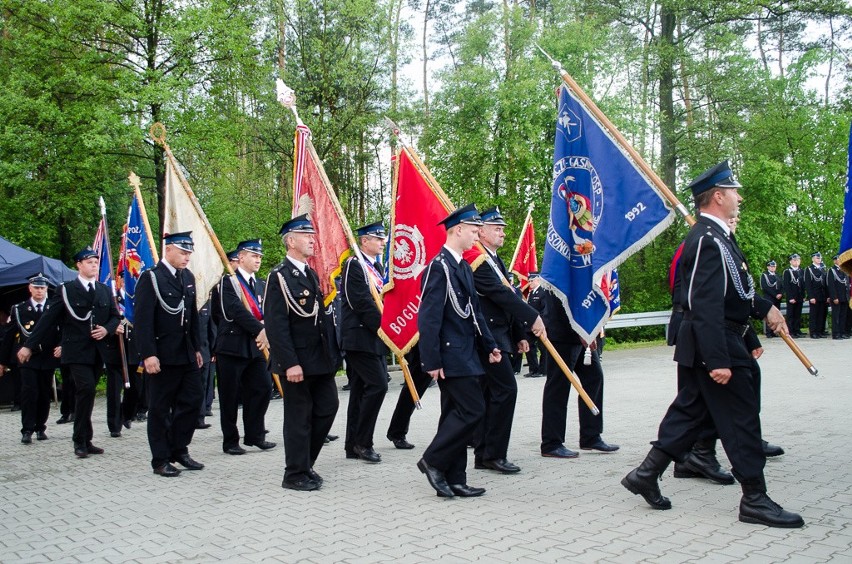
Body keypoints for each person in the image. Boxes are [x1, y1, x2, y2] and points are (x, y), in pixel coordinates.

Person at [621, 160, 803, 528]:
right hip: (714, 344)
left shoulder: (719, 237)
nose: (739, 197)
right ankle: (755, 498)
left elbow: (734, 294)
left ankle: (646, 473)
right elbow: (702, 304)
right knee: (741, 420)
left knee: (691, 415)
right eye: (734, 191)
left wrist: (763, 310)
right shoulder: (706, 240)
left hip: (716, 340)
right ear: (718, 196)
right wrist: (718, 359)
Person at [415, 203, 500, 499]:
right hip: (451, 354)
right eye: (475, 230)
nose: (478, 235)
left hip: (467, 351)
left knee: (454, 413)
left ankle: (455, 478)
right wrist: (431, 359)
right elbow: (428, 317)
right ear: (458, 230)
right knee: (473, 410)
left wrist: (489, 344)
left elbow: (474, 311)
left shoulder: (462, 265)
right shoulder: (438, 267)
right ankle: (433, 460)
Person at [20, 248, 122, 458]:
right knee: (86, 389)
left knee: (88, 392)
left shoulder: (103, 289)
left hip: (97, 351)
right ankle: (79, 441)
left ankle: (87, 438)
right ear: (79, 265)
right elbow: (47, 320)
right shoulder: (66, 290)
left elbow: (114, 317)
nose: (94, 265)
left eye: (96, 262)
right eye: (89, 262)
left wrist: (107, 329)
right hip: (76, 351)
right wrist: (29, 345)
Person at [265, 215, 341, 491]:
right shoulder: (279, 277)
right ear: (291, 241)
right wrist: (290, 363)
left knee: (328, 407)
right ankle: (294, 473)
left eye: (313, 235)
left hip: (318, 359)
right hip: (296, 362)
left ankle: (306, 462)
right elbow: (276, 325)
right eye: (306, 235)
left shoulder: (309, 273)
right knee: (298, 417)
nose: (312, 239)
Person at [470, 207, 544, 474]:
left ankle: (484, 453)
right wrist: (533, 317)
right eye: (496, 228)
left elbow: (508, 295)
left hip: (500, 335)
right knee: (505, 390)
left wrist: (518, 335)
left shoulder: (493, 259)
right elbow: (500, 295)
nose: (502, 233)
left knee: (491, 394)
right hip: (487, 338)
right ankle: (493, 453)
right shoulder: (477, 259)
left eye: (502, 228)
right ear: (480, 231)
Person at [135, 232, 205, 477]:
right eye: (183, 252)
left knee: (194, 401)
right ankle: (160, 459)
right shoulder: (152, 278)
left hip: (185, 353)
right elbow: (143, 320)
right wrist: (148, 354)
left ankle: (179, 448)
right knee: (160, 408)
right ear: (168, 250)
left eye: (189, 253)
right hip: (162, 355)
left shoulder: (187, 277)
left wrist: (197, 347)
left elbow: (192, 316)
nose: (187, 257)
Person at [538, 288, 618, 459]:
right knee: (559, 386)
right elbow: (561, 300)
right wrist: (579, 330)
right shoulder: (561, 263)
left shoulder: (581, 263)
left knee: (594, 377)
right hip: (562, 332)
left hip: (581, 331)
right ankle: (552, 443)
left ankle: (591, 436)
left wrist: (589, 329)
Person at [212, 239, 274, 455]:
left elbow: (269, 311)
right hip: (232, 346)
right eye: (253, 255)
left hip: (256, 346)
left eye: (259, 256)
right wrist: (261, 329)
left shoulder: (261, 284)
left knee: (263, 388)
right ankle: (230, 440)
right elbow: (234, 312)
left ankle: (255, 435)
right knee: (230, 396)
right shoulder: (227, 283)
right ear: (240, 257)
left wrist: (267, 328)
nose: (258, 259)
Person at [341, 222, 389, 464]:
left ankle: (352, 445)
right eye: (377, 239)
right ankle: (363, 442)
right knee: (379, 385)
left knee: (360, 391)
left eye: (383, 238)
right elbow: (359, 301)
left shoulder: (377, 266)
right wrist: (384, 329)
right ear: (364, 241)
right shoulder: (354, 264)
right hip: (360, 336)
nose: (382, 242)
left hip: (372, 337)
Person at [0, 274, 61, 444]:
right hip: (27, 358)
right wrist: (3, 362)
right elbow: (9, 337)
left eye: (42, 288)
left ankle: (40, 427)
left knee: (43, 394)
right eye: (36, 287)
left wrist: (62, 345)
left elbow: (62, 330)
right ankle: (27, 429)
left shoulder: (53, 307)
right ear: (30, 288)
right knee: (28, 393)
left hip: (47, 357)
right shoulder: (19, 309)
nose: (40, 291)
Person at [526, 274, 548, 378]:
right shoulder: (530, 294)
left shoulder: (543, 292)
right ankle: (533, 369)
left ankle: (543, 370)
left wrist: (541, 322)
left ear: (538, 280)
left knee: (543, 348)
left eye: (532, 281)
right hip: (531, 325)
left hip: (540, 325)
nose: (530, 283)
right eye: (529, 281)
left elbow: (544, 310)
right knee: (529, 347)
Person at [804, 252, 829, 338]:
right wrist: (811, 296)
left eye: (820, 258)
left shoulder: (822, 268)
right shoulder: (809, 269)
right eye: (817, 258)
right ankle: (813, 332)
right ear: (813, 259)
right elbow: (808, 284)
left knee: (822, 314)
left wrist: (827, 296)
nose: (819, 260)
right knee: (814, 314)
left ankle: (820, 331)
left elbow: (826, 283)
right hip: (815, 295)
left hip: (823, 295)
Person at [828, 254, 850, 339]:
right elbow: (831, 285)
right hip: (837, 297)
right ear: (835, 260)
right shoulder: (832, 271)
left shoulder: (844, 270)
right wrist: (834, 297)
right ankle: (836, 333)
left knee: (843, 316)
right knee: (836, 316)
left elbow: (847, 284)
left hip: (844, 296)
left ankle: (842, 332)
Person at [782, 254, 804, 337]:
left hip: (799, 296)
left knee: (798, 314)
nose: (796, 262)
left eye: (798, 260)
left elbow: (802, 284)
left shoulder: (801, 271)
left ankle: (797, 330)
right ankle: (790, 331)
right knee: (791, 315)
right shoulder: (787, 271)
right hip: (792, 297)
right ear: (790, 261)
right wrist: (790, 297)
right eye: (794, 260)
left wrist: (803, 295)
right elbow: (787, 286)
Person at [759, 261, 782, 338]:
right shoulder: (764, 275)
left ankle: (774, 332)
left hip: (778, 298)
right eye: (771, 266)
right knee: (769, 315)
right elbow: (765, 287)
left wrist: (780, 293)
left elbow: (782, 285)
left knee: (776, 314)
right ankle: (769, 332)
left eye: (774, 266)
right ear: (768, 267)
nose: (773, 268)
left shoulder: (778, 275)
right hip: (769, 297)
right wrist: (775, 295)